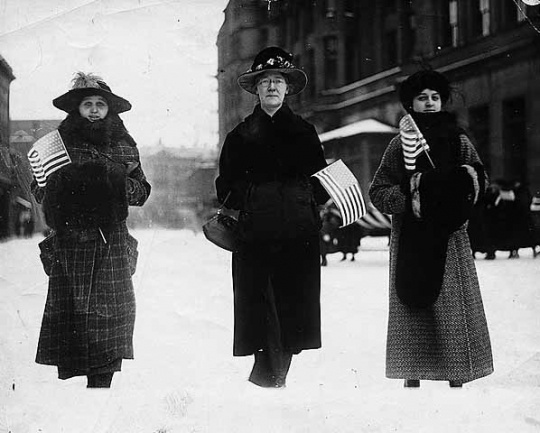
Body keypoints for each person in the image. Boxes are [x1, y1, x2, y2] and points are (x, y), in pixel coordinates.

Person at [369, 69, 493, 388]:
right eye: (422, 98)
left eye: (435, 98)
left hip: (450, 237)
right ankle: (412, 372)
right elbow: (378, 189)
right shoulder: (400, 143)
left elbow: (479, 178)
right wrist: (409, 196)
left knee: (450, 304)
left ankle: (457, 373)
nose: (429, 103)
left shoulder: (458, 139)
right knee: (411, 300)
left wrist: (459, 192)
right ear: (411, 104)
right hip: (410, 234)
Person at [215, 47, 329, 388]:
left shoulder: (305, 132)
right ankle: (269, 381)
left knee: (291, 312)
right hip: (256, 238)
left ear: (287, 88)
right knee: (262, 312)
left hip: (298, 236)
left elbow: (321, 182)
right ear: (256, 89)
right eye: (265, 81)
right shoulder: (239, 136)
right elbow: (225, 189)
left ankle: (271, 380)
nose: (272, 88)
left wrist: (306, 196)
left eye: (278, 81)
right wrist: (251, 194)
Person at [31, 72, 151, 388]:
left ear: (109, 109)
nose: (95, 110)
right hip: (71, 248)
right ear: (76, 109)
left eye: (100, 104)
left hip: (111, 246)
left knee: (108, 326)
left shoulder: (124, 147)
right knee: (73, 332)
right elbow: (40, 190)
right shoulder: (56, 147)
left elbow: (141, 192)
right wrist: (71, 184)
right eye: (88, 104)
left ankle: (100, 391)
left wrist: (112, 179)